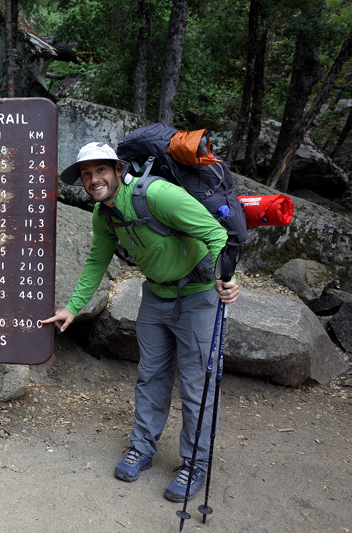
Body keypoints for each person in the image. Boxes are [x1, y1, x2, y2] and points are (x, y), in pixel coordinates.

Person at [42, 142, 240, 502]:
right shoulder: (103, 216)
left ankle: (194, 463)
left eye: (100, 170)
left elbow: (216, 234)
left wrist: (222, 277)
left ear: (118, 170)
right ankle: (142, 449)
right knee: (151, 375)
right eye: (86, 174)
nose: (92, 179)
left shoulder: (159, 195)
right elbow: (95, 262)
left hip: (198, 297)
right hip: (156, 297)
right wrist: (73, 307)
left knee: (198, 385)